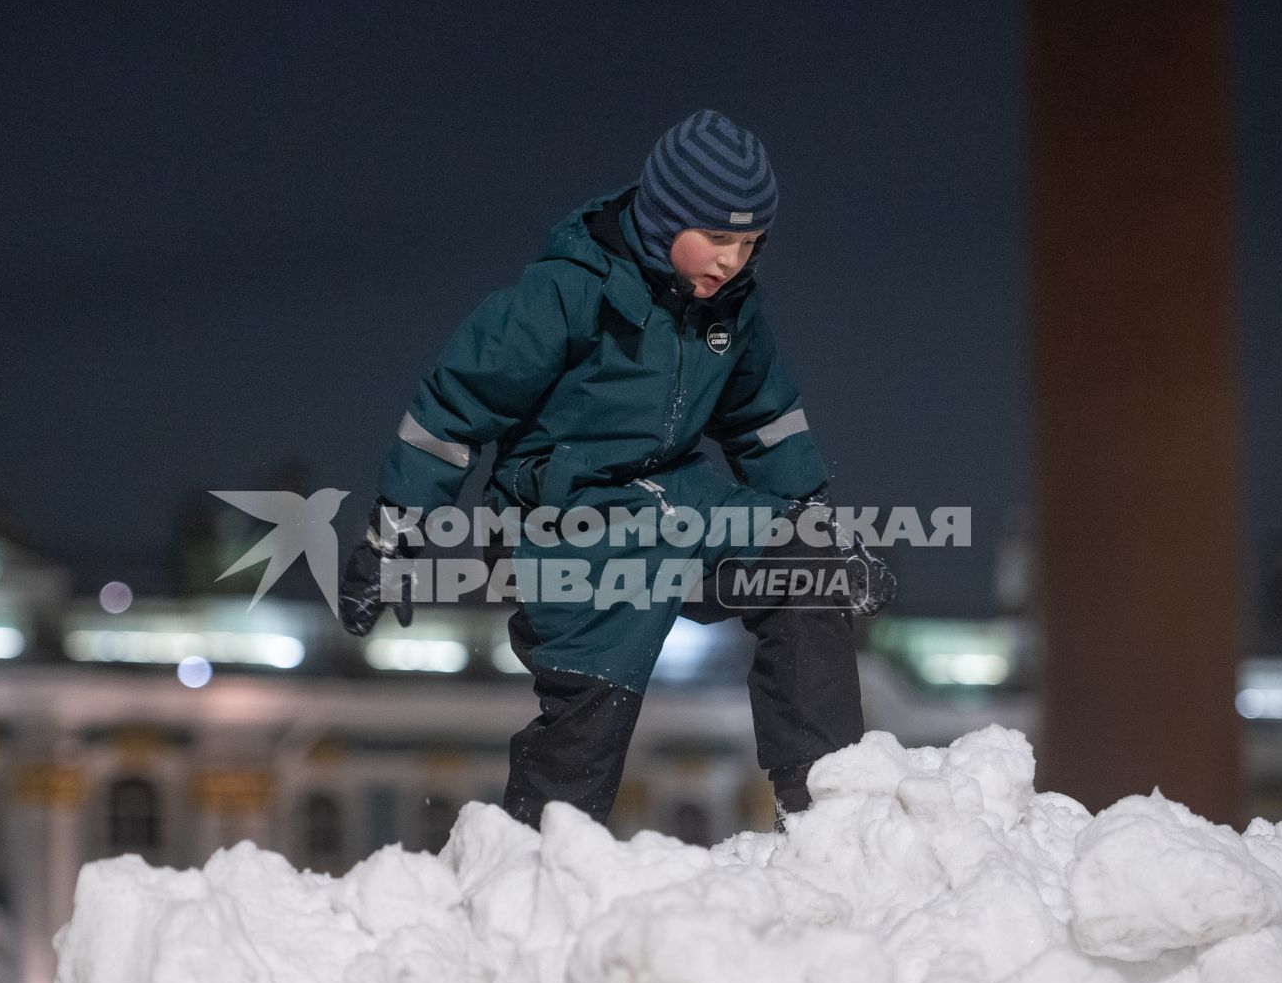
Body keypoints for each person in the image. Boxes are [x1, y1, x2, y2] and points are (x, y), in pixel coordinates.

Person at [338, 110, 894, 829]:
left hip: (678, 502)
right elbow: (454, 406)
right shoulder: (564, 295)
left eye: (751, 242)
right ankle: (541, 859)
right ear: (666, 219)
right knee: (594, 708)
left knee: (803, 566)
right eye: (718, 237)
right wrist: (395, 534)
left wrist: (816, 518)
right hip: (563, 522)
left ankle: (826, 811)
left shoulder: (733, 309)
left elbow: (767, 420)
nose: (733, 258)